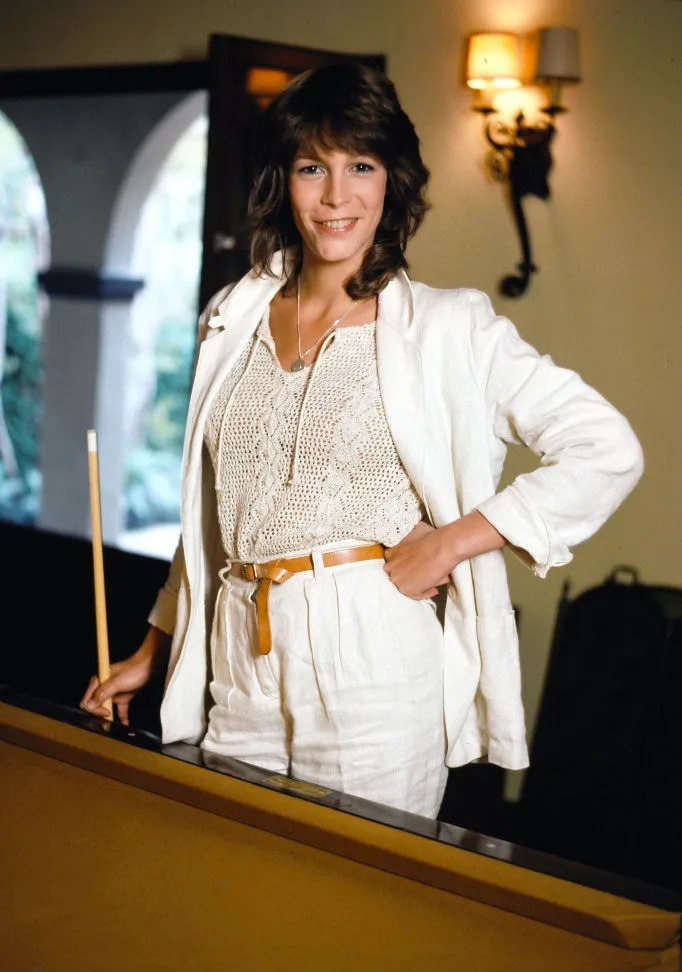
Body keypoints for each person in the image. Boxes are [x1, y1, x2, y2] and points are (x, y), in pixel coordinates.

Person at [81, 61, 643, 819]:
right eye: (313, 167)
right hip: (239, 650)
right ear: (285, 178)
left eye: (361, 166)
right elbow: (216, 514)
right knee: (236, 890)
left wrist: (448, 546)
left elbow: (606, 448)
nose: (336, 196)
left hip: (371, 657)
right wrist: (154, 651)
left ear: (392, 182)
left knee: (358, 905)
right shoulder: (232, 317)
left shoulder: (449, 328)